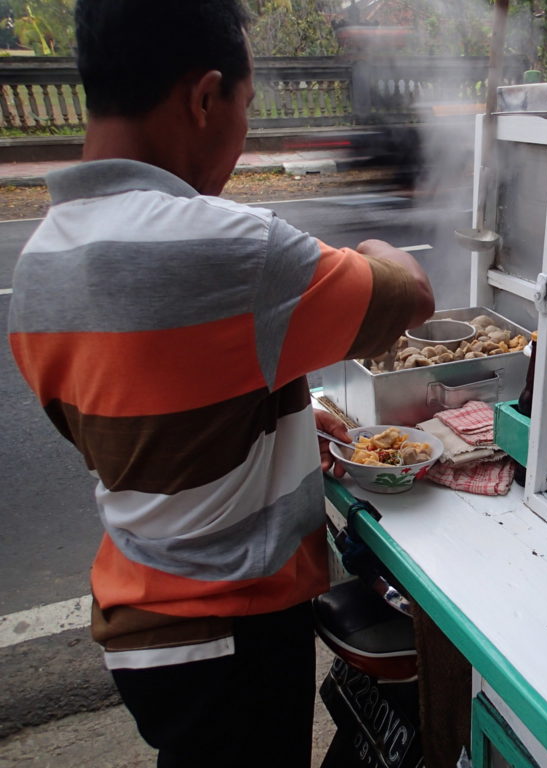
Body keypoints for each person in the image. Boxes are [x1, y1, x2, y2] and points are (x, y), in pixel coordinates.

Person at [6, 1, 434, 766]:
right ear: (205, 98)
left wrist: (285, 421)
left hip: (139, 623)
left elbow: (152, 430)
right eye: (245, 103)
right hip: (229, 630)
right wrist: (379, 247)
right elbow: (410, 300)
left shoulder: (37, 265)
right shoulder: (229, 247)